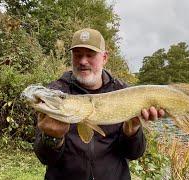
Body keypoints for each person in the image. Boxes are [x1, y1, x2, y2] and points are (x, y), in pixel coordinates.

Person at [34, 28, 164, 180]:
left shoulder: (124, 91)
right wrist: (52, 138)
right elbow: (45, 158)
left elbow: (133, 154)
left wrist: (132, 130)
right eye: (77, 55)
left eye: (90, 55)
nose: (83, 61)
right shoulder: (55, 95)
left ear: (104, 57)